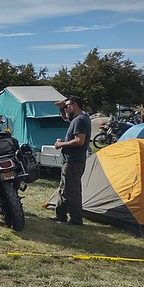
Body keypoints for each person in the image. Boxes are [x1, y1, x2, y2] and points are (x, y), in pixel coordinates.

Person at [53, 96, 90, 225]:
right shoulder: (77, 119)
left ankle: (76, 220)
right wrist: (62, 108)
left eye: (67, 106)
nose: (66, 108)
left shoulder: (80, 120)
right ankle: (60, 216)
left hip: (74, 161)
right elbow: (65, 118)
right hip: (70, 161)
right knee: (64, 188)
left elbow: (80, 141)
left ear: (75, 105)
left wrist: (61, 144)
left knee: (72, 191)